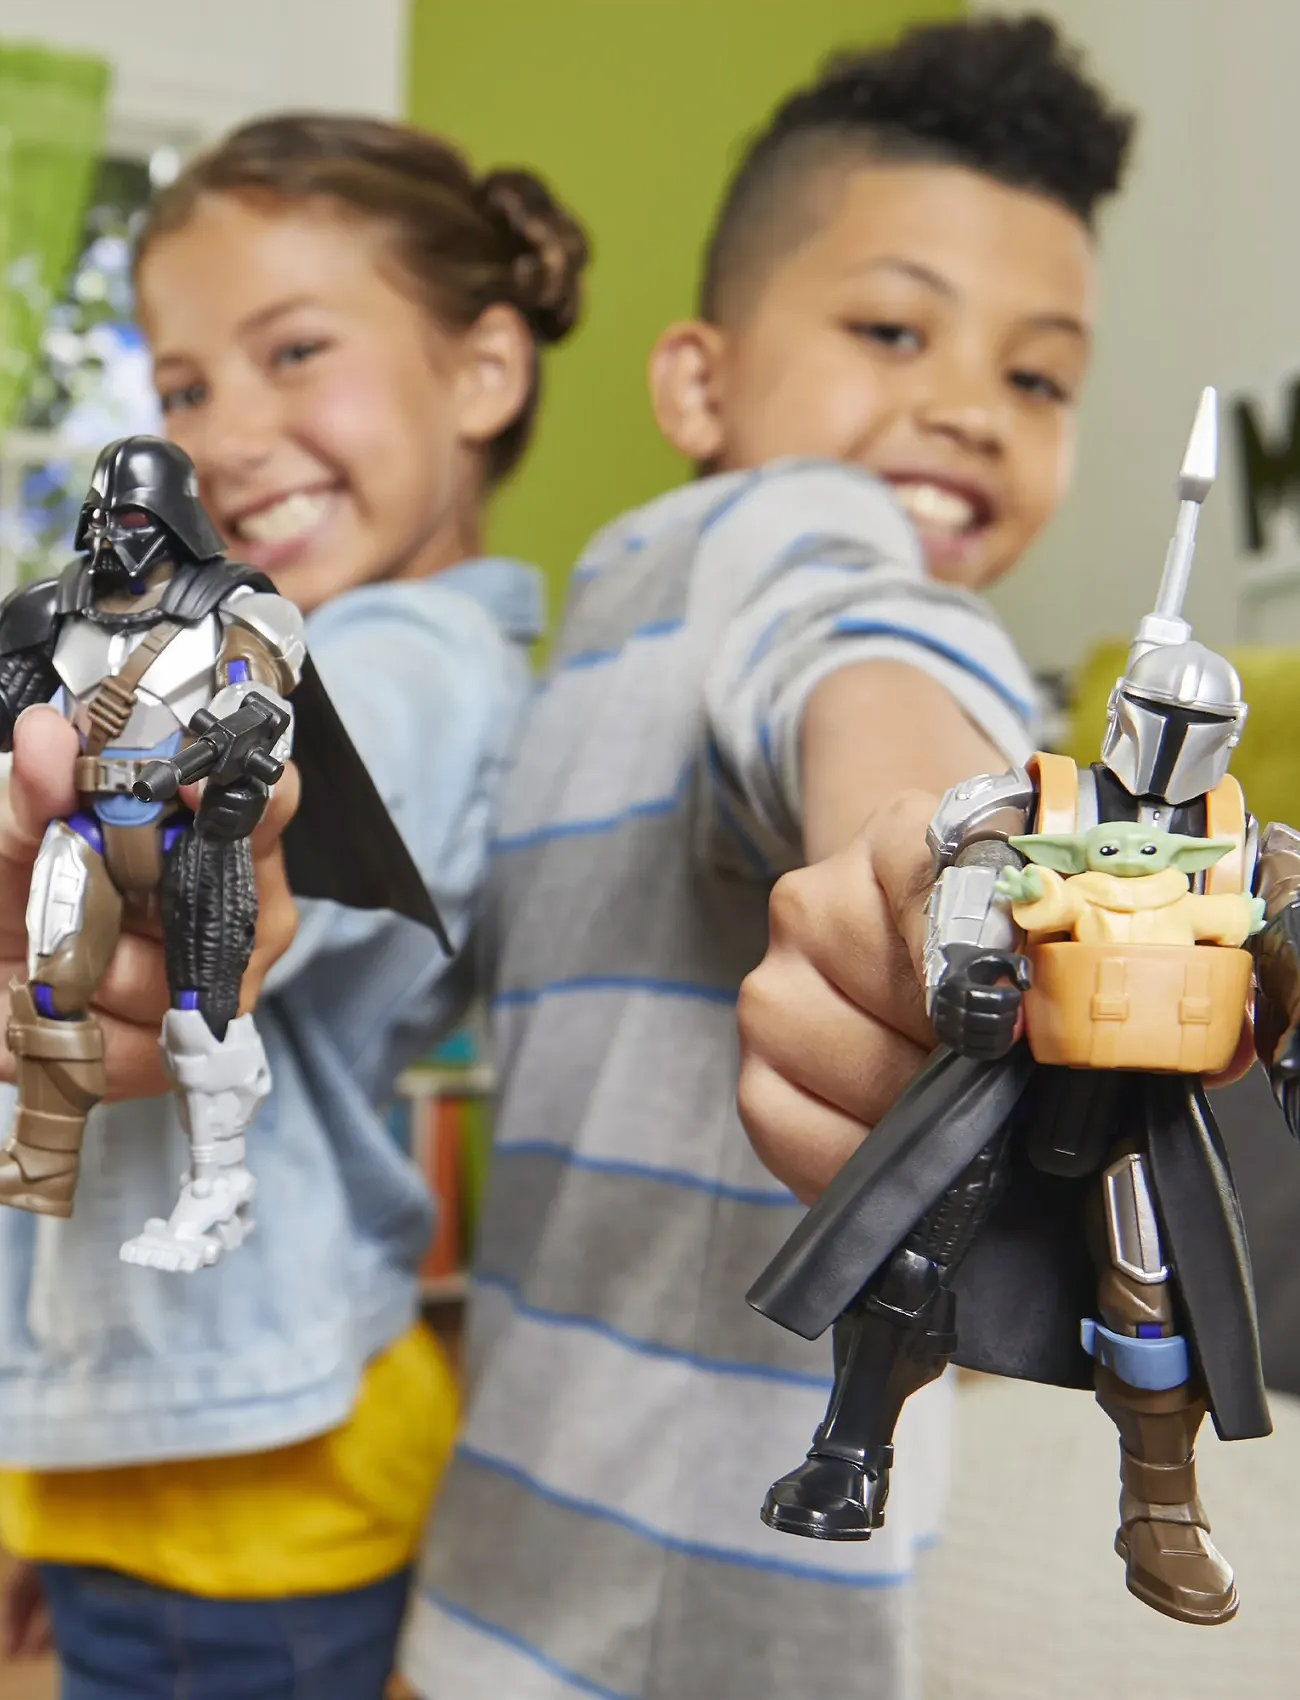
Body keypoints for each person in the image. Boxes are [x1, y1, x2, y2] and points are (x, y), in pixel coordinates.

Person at [403, 15, 1133, 1700]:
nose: (969, 408)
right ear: (699, 382)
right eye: (893, 328)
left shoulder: (604, 621)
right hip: (728, 1620)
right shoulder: (801, 527)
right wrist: (933, 846)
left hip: (503, 1565)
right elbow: (856, 640)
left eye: (1038, 378)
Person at [0, 112, 587, 1700]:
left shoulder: (404, 656)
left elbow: (275, 800)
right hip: (178, 1453)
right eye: (187, 388)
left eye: (294, 353)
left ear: (483, 370)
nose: (226, 439)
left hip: (237, 1497)